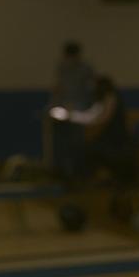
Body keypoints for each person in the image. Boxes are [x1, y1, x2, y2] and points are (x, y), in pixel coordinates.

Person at [50, 41, 95, 181]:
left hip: (79, 113)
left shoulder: (85, 69)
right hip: (63, 111)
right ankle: (62, 173)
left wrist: (81, 110)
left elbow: (89, 92)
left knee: (77, 144)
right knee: (61, 144)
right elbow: (58, 88)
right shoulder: (62, 68)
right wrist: (54, 106)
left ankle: (78, 174)